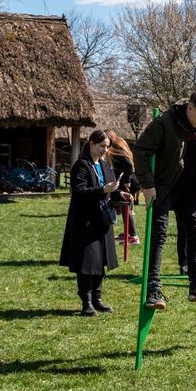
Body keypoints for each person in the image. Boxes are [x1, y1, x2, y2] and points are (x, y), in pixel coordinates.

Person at [133, 89, 196, 310]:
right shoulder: (164, 122)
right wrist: (147, 185)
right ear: (189, 107)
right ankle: (153, 290)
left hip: (190, 190)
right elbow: (141, 151)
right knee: (159, 235)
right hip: (164, 187)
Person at [59, 130, 125, 316]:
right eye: (102, 146)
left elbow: (109, 190)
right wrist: (103, 189)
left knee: (101, 261)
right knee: (87, 263)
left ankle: (98, 299)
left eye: (107, 146)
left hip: (102, 219)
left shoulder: (105, 165)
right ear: (91, 144)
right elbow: (80, 192)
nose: (105, 150)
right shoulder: (81, 166)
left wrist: (119, 194)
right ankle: (86, 302)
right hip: (85, 221)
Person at [105, 129, 140, 245]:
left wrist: (126, 181)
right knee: (126, 208)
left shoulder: (115, 148)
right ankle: (129, 233)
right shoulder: (118, 143)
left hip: (128, 182)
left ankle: (133, 236)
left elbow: (129, 165)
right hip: (131, 180)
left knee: (126, 208)